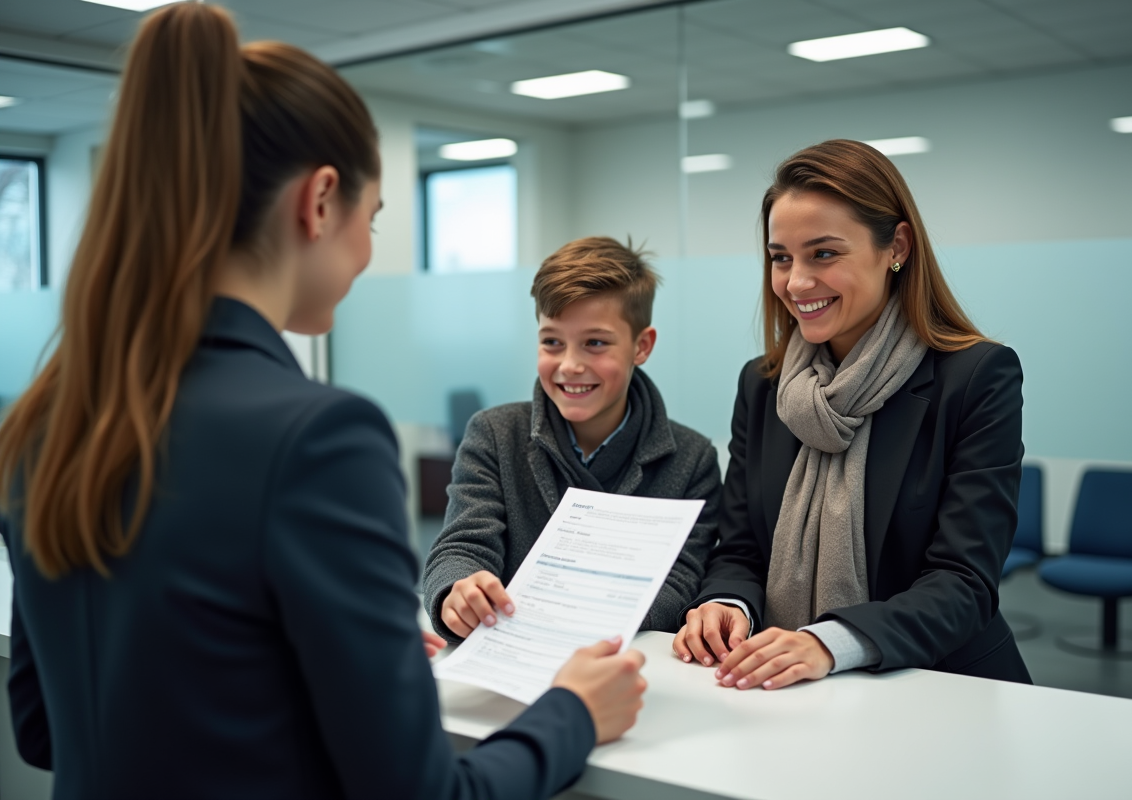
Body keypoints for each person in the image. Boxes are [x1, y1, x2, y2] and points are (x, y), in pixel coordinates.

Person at [0, 6, 646, 799]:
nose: (368, 253)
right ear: (319, 201)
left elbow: (41, 727)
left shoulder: (50, 416)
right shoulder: (318, 437)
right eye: (371, 220)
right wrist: (572, 712)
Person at [674, 139, 1031, 690]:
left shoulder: (977, 376)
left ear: (898, 247)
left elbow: (964, 583)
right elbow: (742, 547)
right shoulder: (763, 384)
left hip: (936, 685)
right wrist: (727, 602)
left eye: (824, 253)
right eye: (780, 257)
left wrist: (827, 641)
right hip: (785, 686)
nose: (795, 282)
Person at [423, 237, 722, 643]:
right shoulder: (494, 434)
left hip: (623, 664)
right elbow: (462, 546)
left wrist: (584, 619)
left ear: (642, 346)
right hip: (510, 657)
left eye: (595, 343)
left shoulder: (691, 459)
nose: (569, 365)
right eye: (552, 342)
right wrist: (457, 591)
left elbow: (679, 583)